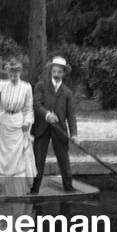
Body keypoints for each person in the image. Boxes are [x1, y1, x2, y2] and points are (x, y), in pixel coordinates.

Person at [0, 57, 36, 196]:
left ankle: (17, 191)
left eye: (16, 73)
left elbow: (29, 109)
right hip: (4, 123)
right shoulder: (2, 84)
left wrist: (27, 122)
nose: (13, 76)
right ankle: (0, 187)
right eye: (11, 73)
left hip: (19, 125)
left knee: (18, 158)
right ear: (7, 72)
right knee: (1, 158)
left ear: (20, 72)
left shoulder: (26, 87)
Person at [31, 56, 78, 193]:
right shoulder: (41, 86)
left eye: (59, 72)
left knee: (64, 160)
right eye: (54, 72)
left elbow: (71, 115)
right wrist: (47, 115)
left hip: (60, 130)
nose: (56, 74)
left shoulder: (67, 92)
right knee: (38, 161)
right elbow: (36, 105)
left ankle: (69, 189)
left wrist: (74, 134)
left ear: (63, 73)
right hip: (42, 129)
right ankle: (34, 190)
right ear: (51, 71)